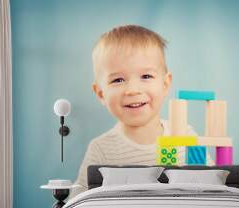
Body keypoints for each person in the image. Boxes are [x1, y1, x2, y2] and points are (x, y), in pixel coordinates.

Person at [72, 25, 210, 198]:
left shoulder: (186, 135)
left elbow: (212, 188)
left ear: (165, 84)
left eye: (146, 76)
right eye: (118, 79)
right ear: (101, 93)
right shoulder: (101, 149)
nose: (133, 90)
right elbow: (76, 206)